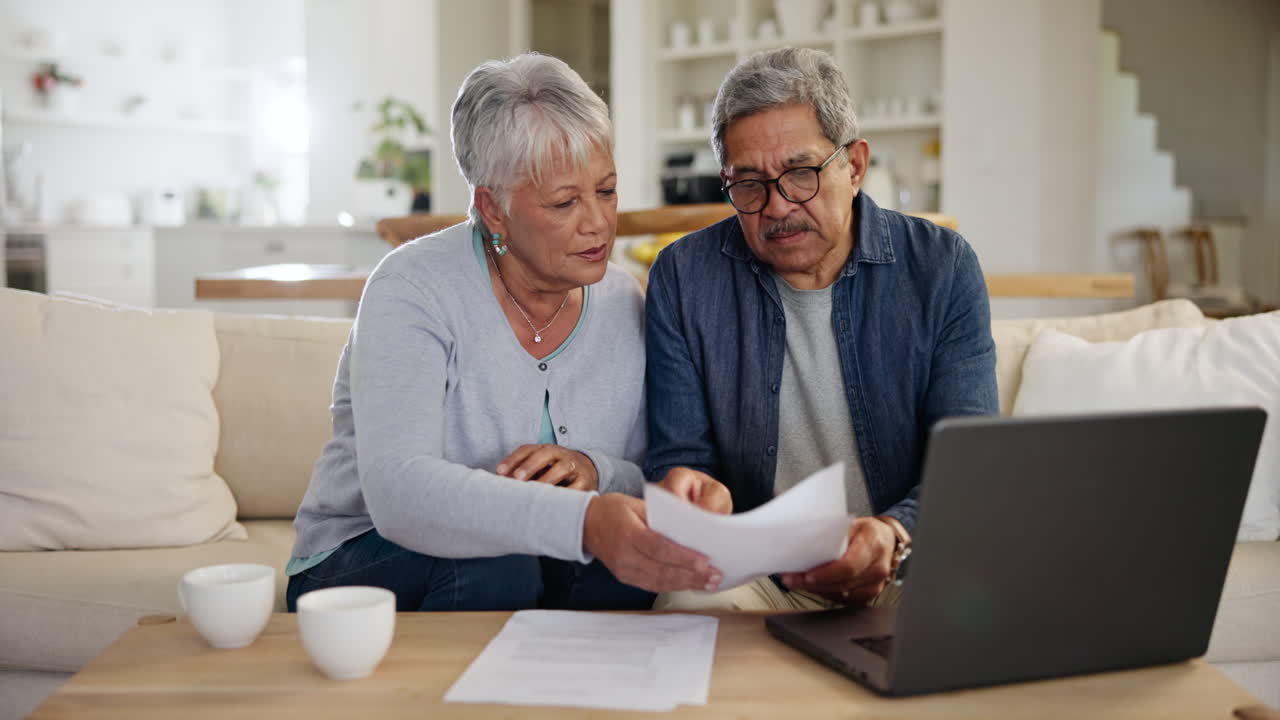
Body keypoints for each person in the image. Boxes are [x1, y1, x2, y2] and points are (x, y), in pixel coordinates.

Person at [287, 53, 722, 612]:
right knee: (499, 558)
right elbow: (400, 493)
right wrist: (583, 520)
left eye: (607, 191)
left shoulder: (623, 301)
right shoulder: (411, 288)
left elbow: (644, 476)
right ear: (492, 209)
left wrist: (597, 473)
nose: (597, 222)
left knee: (629, 563)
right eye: (564, 202)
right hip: (362, 559)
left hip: (533, 564)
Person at [646, 47, 998, 611]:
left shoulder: (941, 267)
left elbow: (971, 467)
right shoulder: (684, 277)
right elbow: (679, 456)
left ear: (854, 166)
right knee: (683, 606)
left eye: (801, 173)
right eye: (749, 184)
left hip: (904, 565)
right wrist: (693, 494)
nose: (778, 206)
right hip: (759, 575)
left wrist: (891, 535)